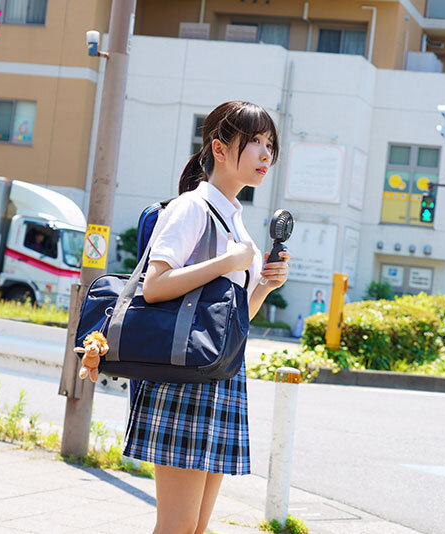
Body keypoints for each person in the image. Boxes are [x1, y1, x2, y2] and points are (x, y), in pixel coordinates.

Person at [128, 101, 290, 534]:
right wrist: (225, 263)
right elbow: (154, 286)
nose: (265, 154)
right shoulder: (193, 208)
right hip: (185, 380)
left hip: (219, 375)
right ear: (220, 149)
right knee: (177, 527)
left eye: (269, 144)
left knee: (197, 528)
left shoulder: (237, 222)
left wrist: (263, 287)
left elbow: (234, 321)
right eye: (254, 142)